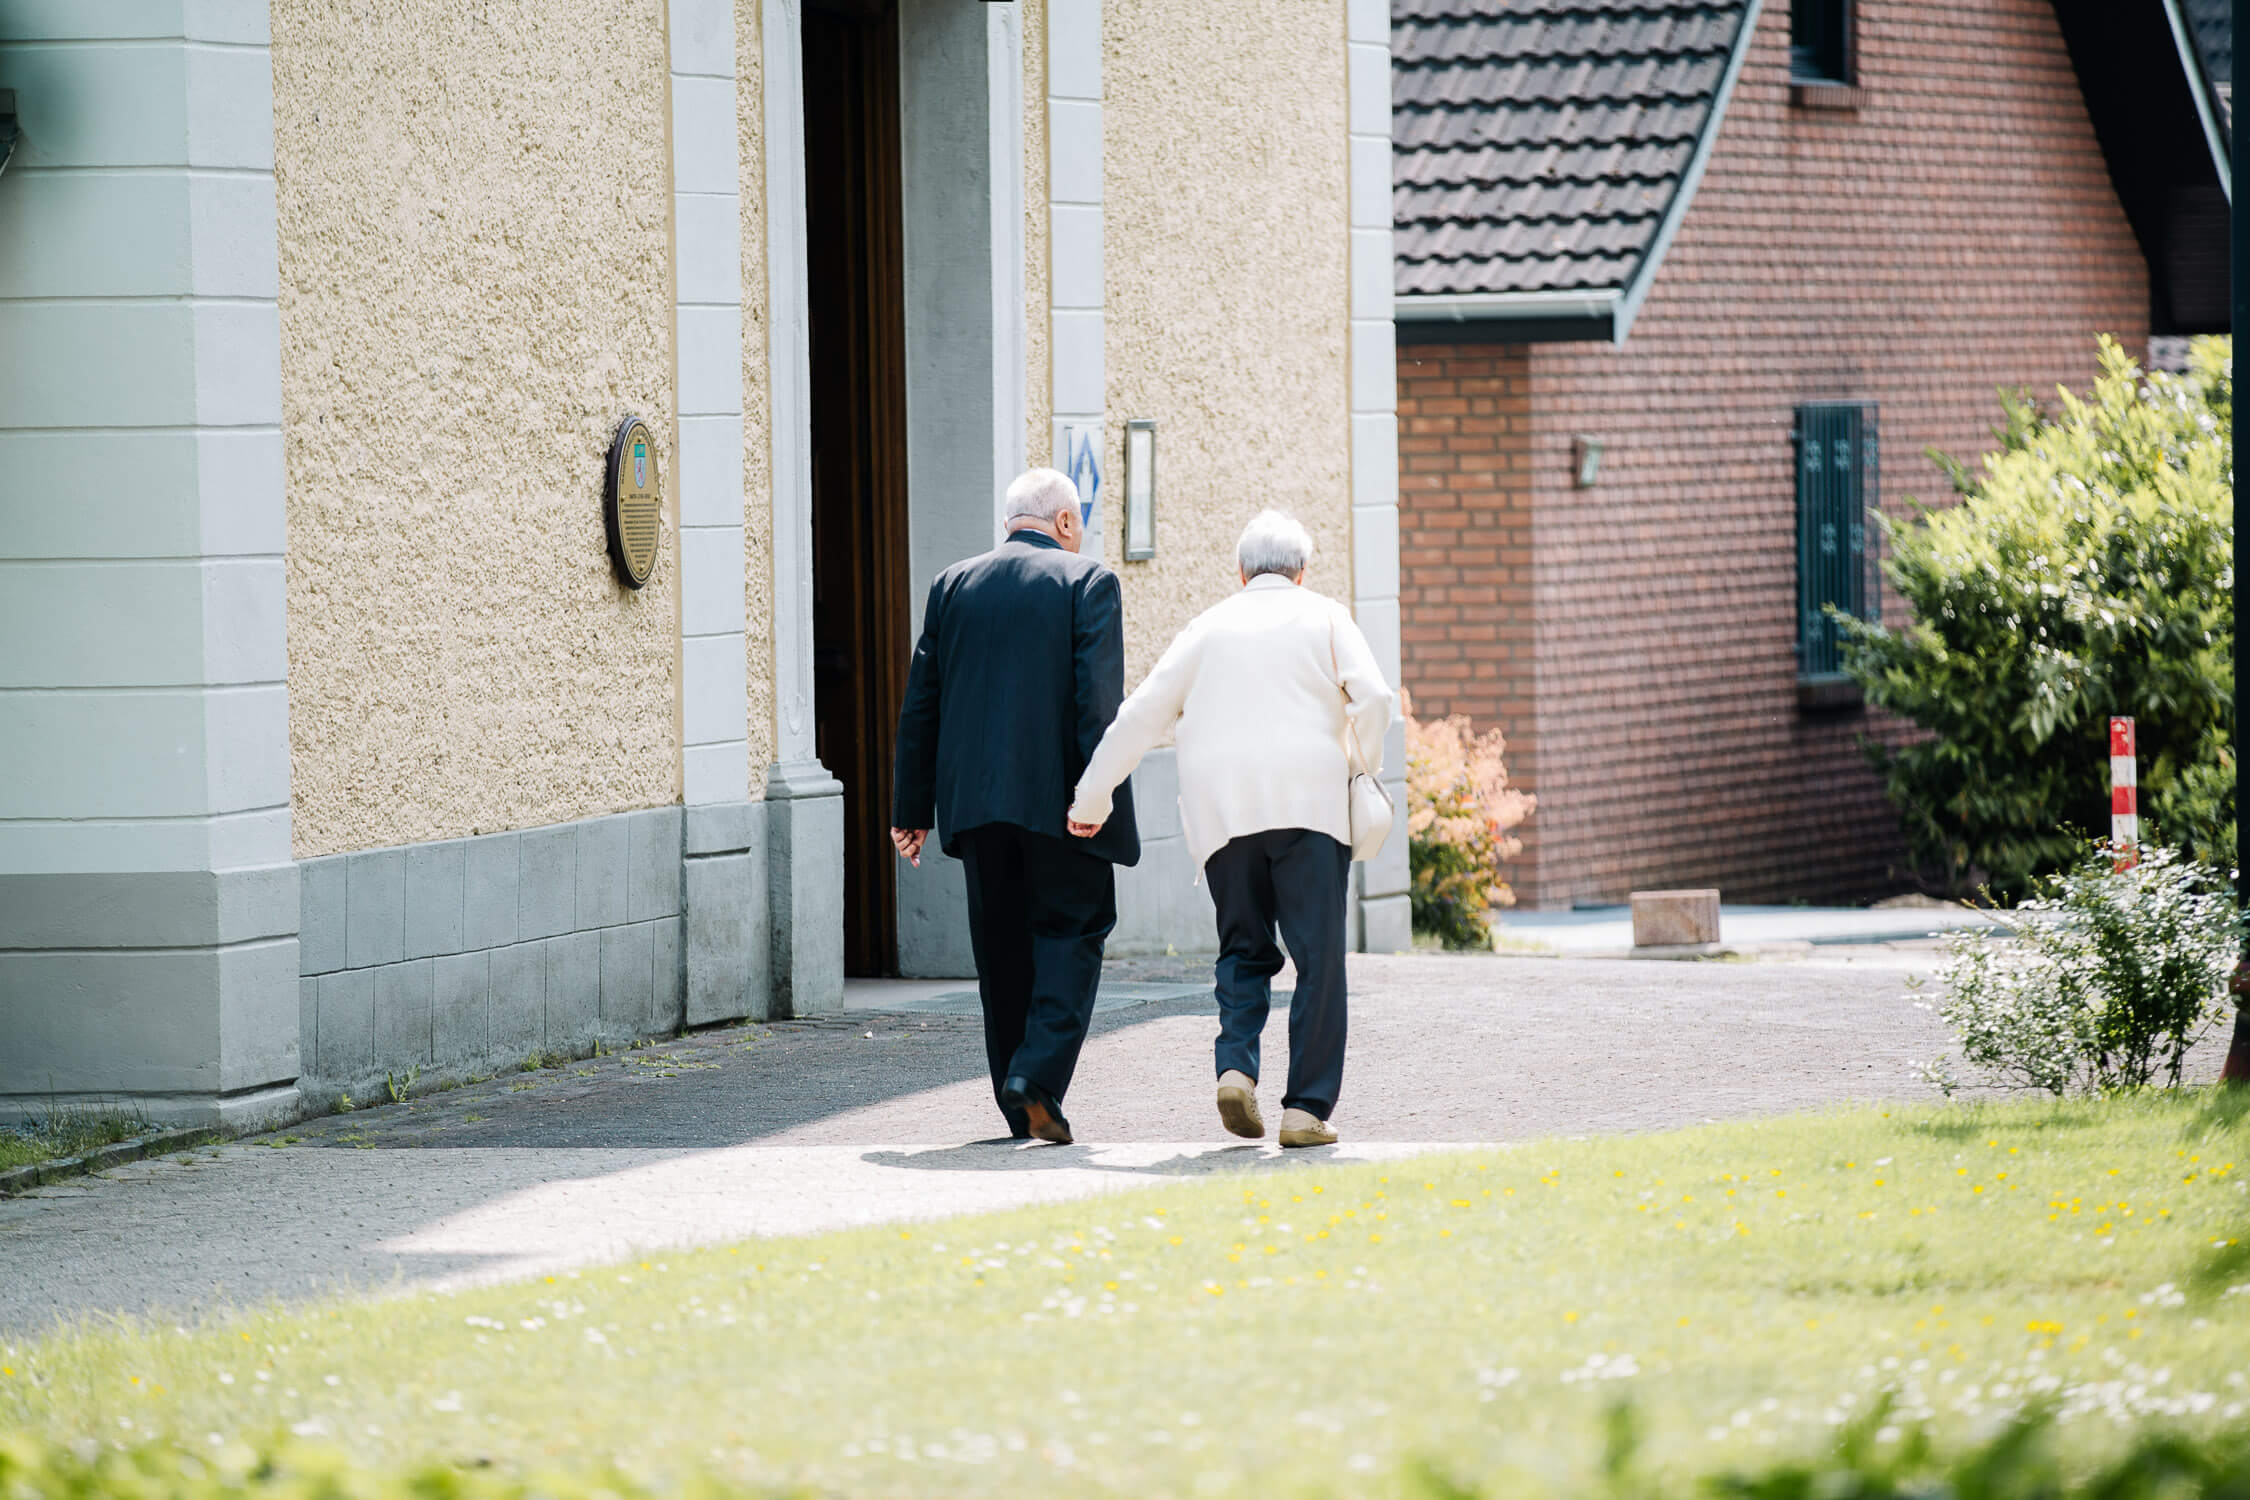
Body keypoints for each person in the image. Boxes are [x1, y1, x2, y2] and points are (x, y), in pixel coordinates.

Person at [1065, 510, 1392, 1148]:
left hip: (1223, 815)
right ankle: (1304, 1109)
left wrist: (1092, 797)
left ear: (1240, 572)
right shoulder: (1325, 616)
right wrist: (1364, 763)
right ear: (1302, 572)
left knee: (1243, 948)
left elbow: (1139, 715)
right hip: (1311, 808)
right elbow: (1375, 699)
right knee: (1318, 959)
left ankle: (1236, 1066)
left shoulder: (1206, 627)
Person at [890, 467, 1140, 1145]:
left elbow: (923, 703)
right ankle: (1035, 1078)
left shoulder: (953, 584)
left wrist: (910, 808)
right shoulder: (1088, 582)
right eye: (1077, 521)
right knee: (1073, 928)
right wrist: (1098, 796)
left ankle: (1015, 1100)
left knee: (1000, 949)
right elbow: (1097, 705)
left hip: (975, 808)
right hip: (1062, 805)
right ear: (1063, 522)